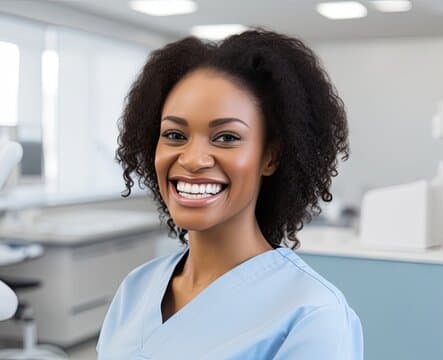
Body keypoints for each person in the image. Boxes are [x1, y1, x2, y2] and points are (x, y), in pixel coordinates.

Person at [97, 29, 363, 359]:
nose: (193, 160)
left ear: (271, 156)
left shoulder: (313, 316)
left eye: (226, 138)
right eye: (175, 135)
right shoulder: (137, 288)